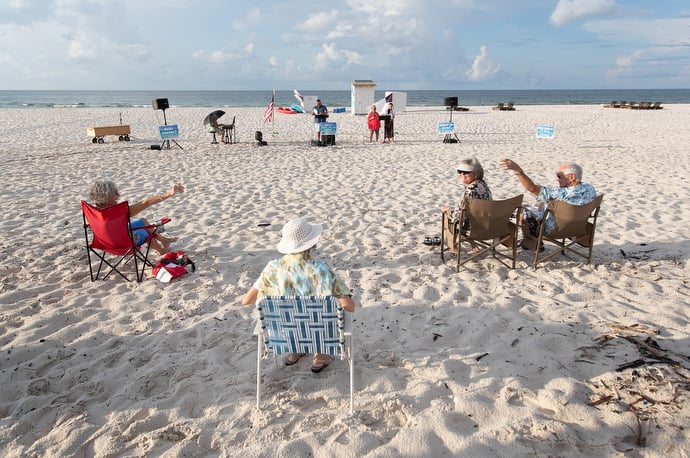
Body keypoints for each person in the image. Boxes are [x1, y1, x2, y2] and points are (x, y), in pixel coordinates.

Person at [242, 217, 355, 373]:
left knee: (289, 312)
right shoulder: (321, 270)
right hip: (318, 334)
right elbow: (349, 306)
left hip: (284, 335)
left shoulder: (272, 269)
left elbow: (246, 300)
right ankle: (320, 355)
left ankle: (295, 351)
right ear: (311, 243)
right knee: (326, 313)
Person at [498, 159, 597, 250]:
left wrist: (518, 170)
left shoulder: (561, 194)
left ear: (571, 177)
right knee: (541, 204)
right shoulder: (590, 188)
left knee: (525, 209)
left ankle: (532, 243)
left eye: (559, 176)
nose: (556, 179)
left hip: (553, 229)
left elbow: (532, 188)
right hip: (577, 228)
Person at [88, 180, 184, 255]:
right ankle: (161, 250)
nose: (119, 195)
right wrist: (170, 193)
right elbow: (146, 202)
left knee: (142, 221)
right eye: (115, 193)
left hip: (105, 244)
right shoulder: (118, 212)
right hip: (123, 245)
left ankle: (164, 240)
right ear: (107, 197)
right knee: (146, 230)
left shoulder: (92, 212)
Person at [441, 158, 493, 253]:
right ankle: (472, 244)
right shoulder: (483, 185)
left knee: (449, 218)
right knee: (467, 216)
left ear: (475, 173)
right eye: (459, 172)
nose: (462, 174)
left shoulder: (470, 191)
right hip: (489, 225)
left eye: (466, 172)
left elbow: (458, 216)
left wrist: (448, 210)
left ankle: (453, 247)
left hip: (474, 229)